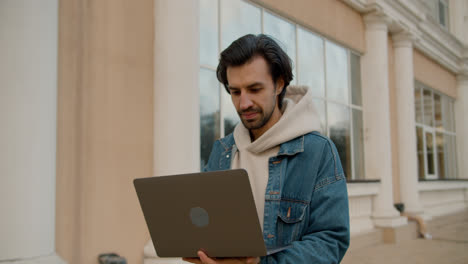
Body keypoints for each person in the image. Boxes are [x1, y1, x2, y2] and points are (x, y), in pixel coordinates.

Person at [184, 34, 349, 264]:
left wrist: (262, 262)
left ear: (279, 84)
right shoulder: (222, 151)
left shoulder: (319, 151)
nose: (244, 103)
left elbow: (331, 241)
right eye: (235, 92)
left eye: (254, 89)